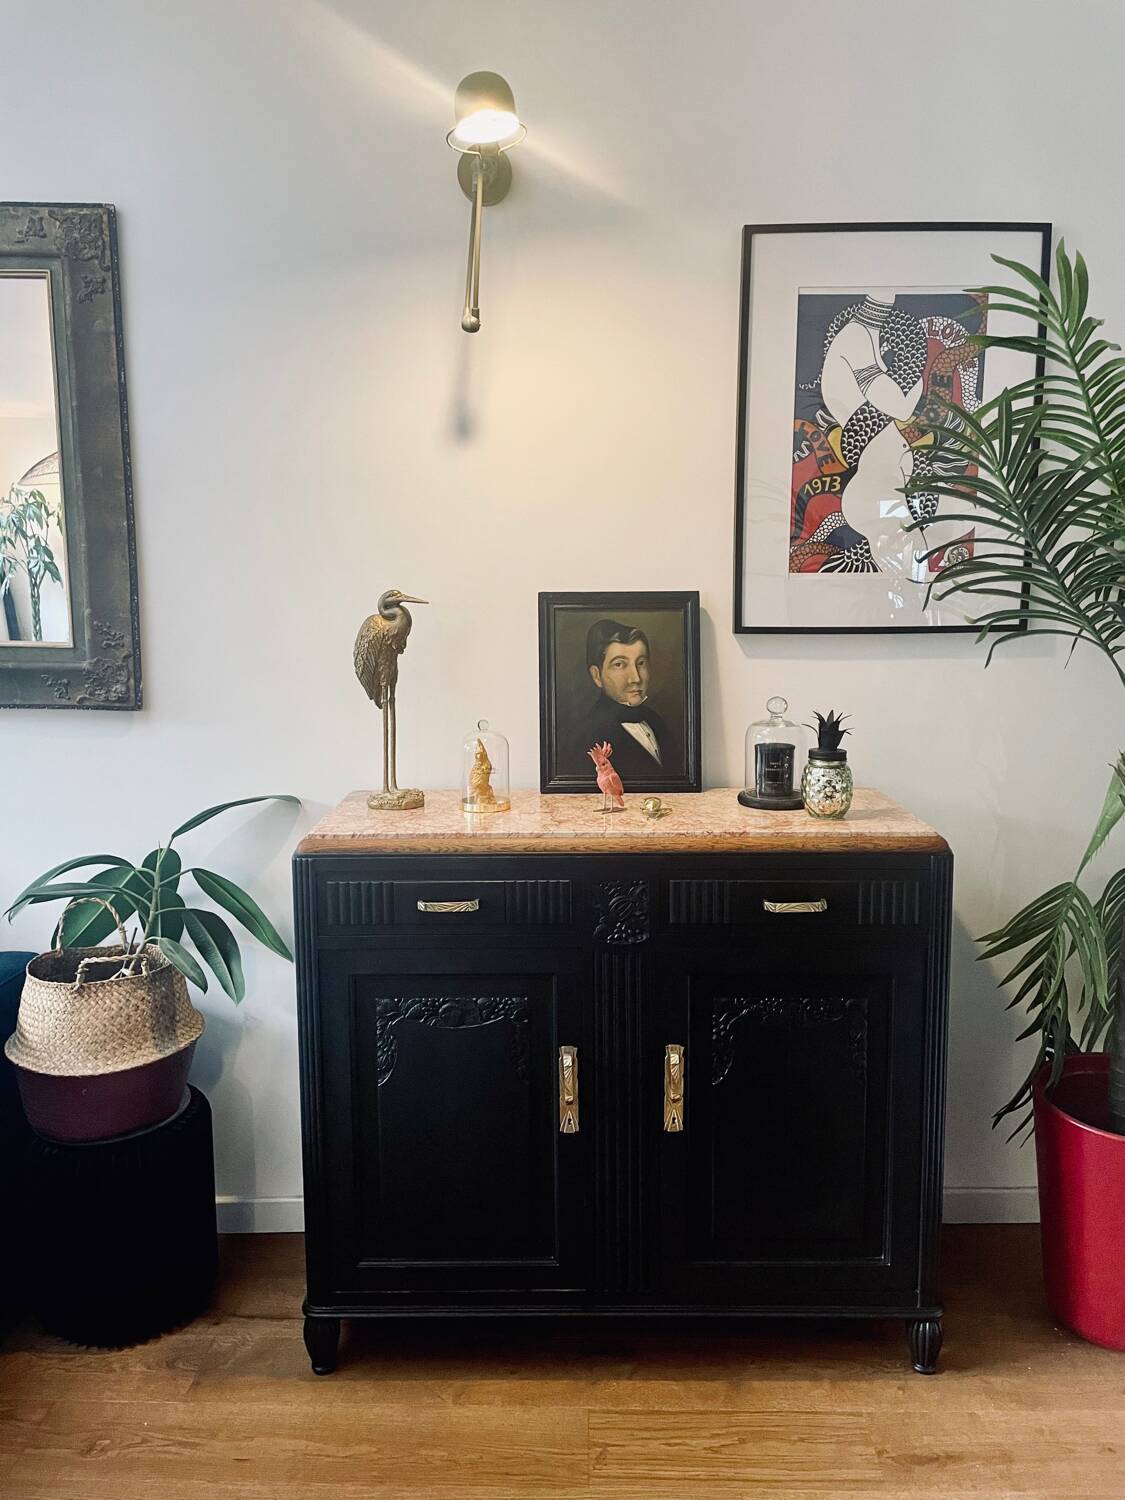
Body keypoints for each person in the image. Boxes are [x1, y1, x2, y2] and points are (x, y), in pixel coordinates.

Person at [578, 620, 681, 781]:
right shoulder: (588, 735)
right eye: (619, 664)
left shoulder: (657, 721)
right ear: (597, 676)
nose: (636, 678)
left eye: (641, 663)